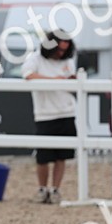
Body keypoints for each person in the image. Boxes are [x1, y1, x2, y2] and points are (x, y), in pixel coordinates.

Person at [22, 30, 77, 204]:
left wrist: (71, 81)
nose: (61, 53)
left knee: (62, 156)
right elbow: (28, 75)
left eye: (64, 49)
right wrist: (57, 80)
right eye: (58, 49)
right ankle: (42, 189)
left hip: (67, 112)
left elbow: (72, 84)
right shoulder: (36, 58)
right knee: (43, 157)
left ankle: (55, 189)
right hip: (45, 114)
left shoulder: (68, 61)